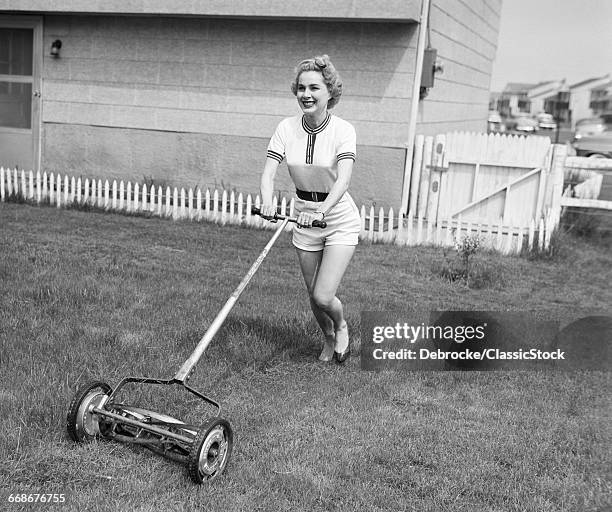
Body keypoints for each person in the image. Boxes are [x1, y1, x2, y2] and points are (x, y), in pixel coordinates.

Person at [259, 55, 360, 363]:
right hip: (303, 214)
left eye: (314, 87)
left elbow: (343, 180)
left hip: (338, 216)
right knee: (311, 292)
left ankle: (341, 326)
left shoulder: (343, 130)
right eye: (301, 88)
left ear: (330, 92)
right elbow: (268, 172)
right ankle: (328, 338)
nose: (306, 94)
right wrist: (267, 200)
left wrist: (321, 212)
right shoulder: (286, 128)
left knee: (323, 295)